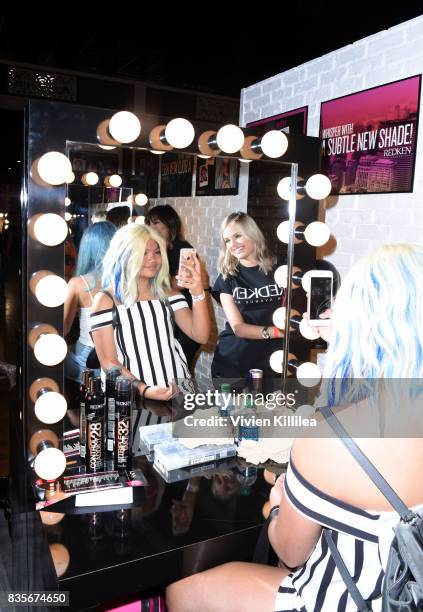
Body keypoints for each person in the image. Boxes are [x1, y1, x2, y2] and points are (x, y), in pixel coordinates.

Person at [166, 244, 423, 611]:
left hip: (349, 599)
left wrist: (276, 507)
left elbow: (291, 552)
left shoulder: (333, 436)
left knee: (183, 591)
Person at [90, 223, 210, 401]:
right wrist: (143, 389)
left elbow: (201, 336)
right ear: (125, 255)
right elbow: (109, 362)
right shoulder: (106, 300)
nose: (152, 259)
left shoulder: (169, 294)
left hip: (179, 388)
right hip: (131, 394)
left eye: (157, 252)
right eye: (144, 253)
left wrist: (198, 292)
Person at [211, 212, 284, 390]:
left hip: (272, 359)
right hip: (234, 360)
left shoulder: (281, 269)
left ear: (253, 234)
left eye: (238, 236)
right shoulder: (227, 278)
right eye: (227, 240)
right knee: (232, 417)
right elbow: (238, 327)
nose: (232, 245)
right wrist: (278, 332)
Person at [145, 205, 201, 368]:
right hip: (165, 317)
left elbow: (183, 281)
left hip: (184, 317)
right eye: (149, 223)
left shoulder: (183, 248)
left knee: (180, 368)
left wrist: (153, 282)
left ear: (169, 223)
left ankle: (183, 393)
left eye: (155, 222)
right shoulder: (154, 249)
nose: (151, 227)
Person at [64, 221, 116, 382]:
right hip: (119, 352)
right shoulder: (126, 281)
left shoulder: (78, 284)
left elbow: (63, 328)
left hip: (88, 355)